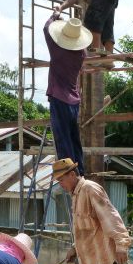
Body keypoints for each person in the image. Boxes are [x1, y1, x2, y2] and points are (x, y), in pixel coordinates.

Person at [44, 15, 92, 176]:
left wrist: (55, 16)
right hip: (73, 101)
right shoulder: (81, 54)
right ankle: (80, 171)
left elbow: (46, 29)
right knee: (73, 138)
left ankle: (69, 172)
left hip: (59, 99)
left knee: (62, 138)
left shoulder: (57, 51)